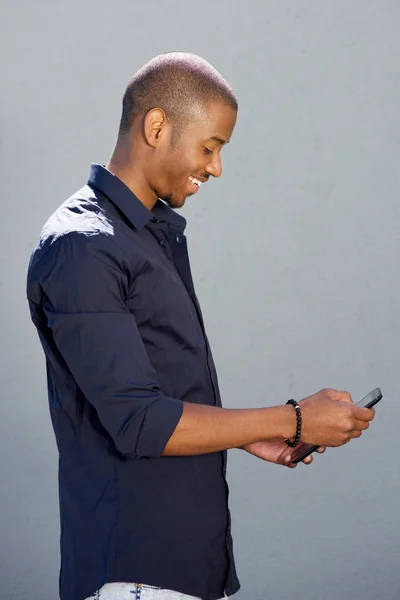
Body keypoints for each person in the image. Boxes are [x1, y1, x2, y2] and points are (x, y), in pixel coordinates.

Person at [26, 52, 375, 600]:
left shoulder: (147, 237)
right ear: (157, 126)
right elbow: (139, 421)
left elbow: (159, 401)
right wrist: (292, 419)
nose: (216, 167)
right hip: (136, 574)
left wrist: (256, 433)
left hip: (181, 570)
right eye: (209, 147)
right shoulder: (83, 248)